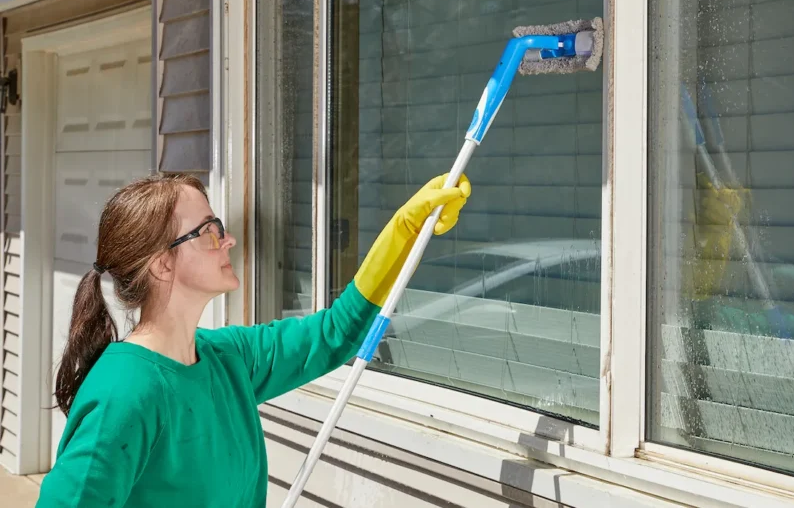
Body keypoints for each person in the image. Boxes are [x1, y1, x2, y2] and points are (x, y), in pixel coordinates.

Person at [36, 171, 471, 507]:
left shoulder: (228, 359)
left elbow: (334, 334)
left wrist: (404, 233)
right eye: (208, 231)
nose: (228, 240)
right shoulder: (124, 394)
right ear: (161, 265)